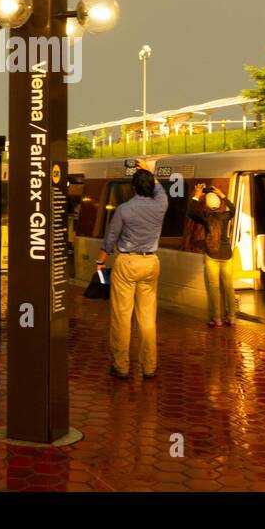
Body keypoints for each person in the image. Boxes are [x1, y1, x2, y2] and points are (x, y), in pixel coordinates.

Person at [97, 161, 168, 380]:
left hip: (127, 263)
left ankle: (121, 366)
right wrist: (148, 170)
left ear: (133, 188)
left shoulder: (124, 209)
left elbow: (111, 238)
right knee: (147, 318)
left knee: (122, 316)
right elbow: (160, 190)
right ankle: (149, 366)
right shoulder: (160, 206)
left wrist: (100, 262)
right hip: (151, 263)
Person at [189, 183, 237, 327]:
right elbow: (234, 209)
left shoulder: (206, 219)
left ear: (208, 206)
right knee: (229, 286)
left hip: (212, 255)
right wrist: (223, 196)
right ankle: (232, 317)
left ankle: (217, 318)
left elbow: (190, 212)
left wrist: (196, 196)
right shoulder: (226, 216)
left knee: (214, 287)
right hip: (227, 255)